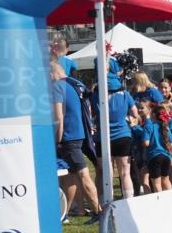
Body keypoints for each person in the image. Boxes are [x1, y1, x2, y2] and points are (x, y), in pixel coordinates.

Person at [50, 60, 101, 222]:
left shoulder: (57, 86)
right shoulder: (74, 85)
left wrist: (56, 139)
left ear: (52, 73)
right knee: (70, 175)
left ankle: (99, 212)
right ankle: (64, 214)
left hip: (68, 138)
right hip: (78, 134)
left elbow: (59, 116)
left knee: (82, 174)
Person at [92, 83, 138, 200]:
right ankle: (129, 200)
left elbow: (91, 113)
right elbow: (135, 113)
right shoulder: (125, 95)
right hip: (122, 135)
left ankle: (106, 201)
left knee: (106, 173)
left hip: (102, 137)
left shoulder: (95, 95)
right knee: (125, 173)